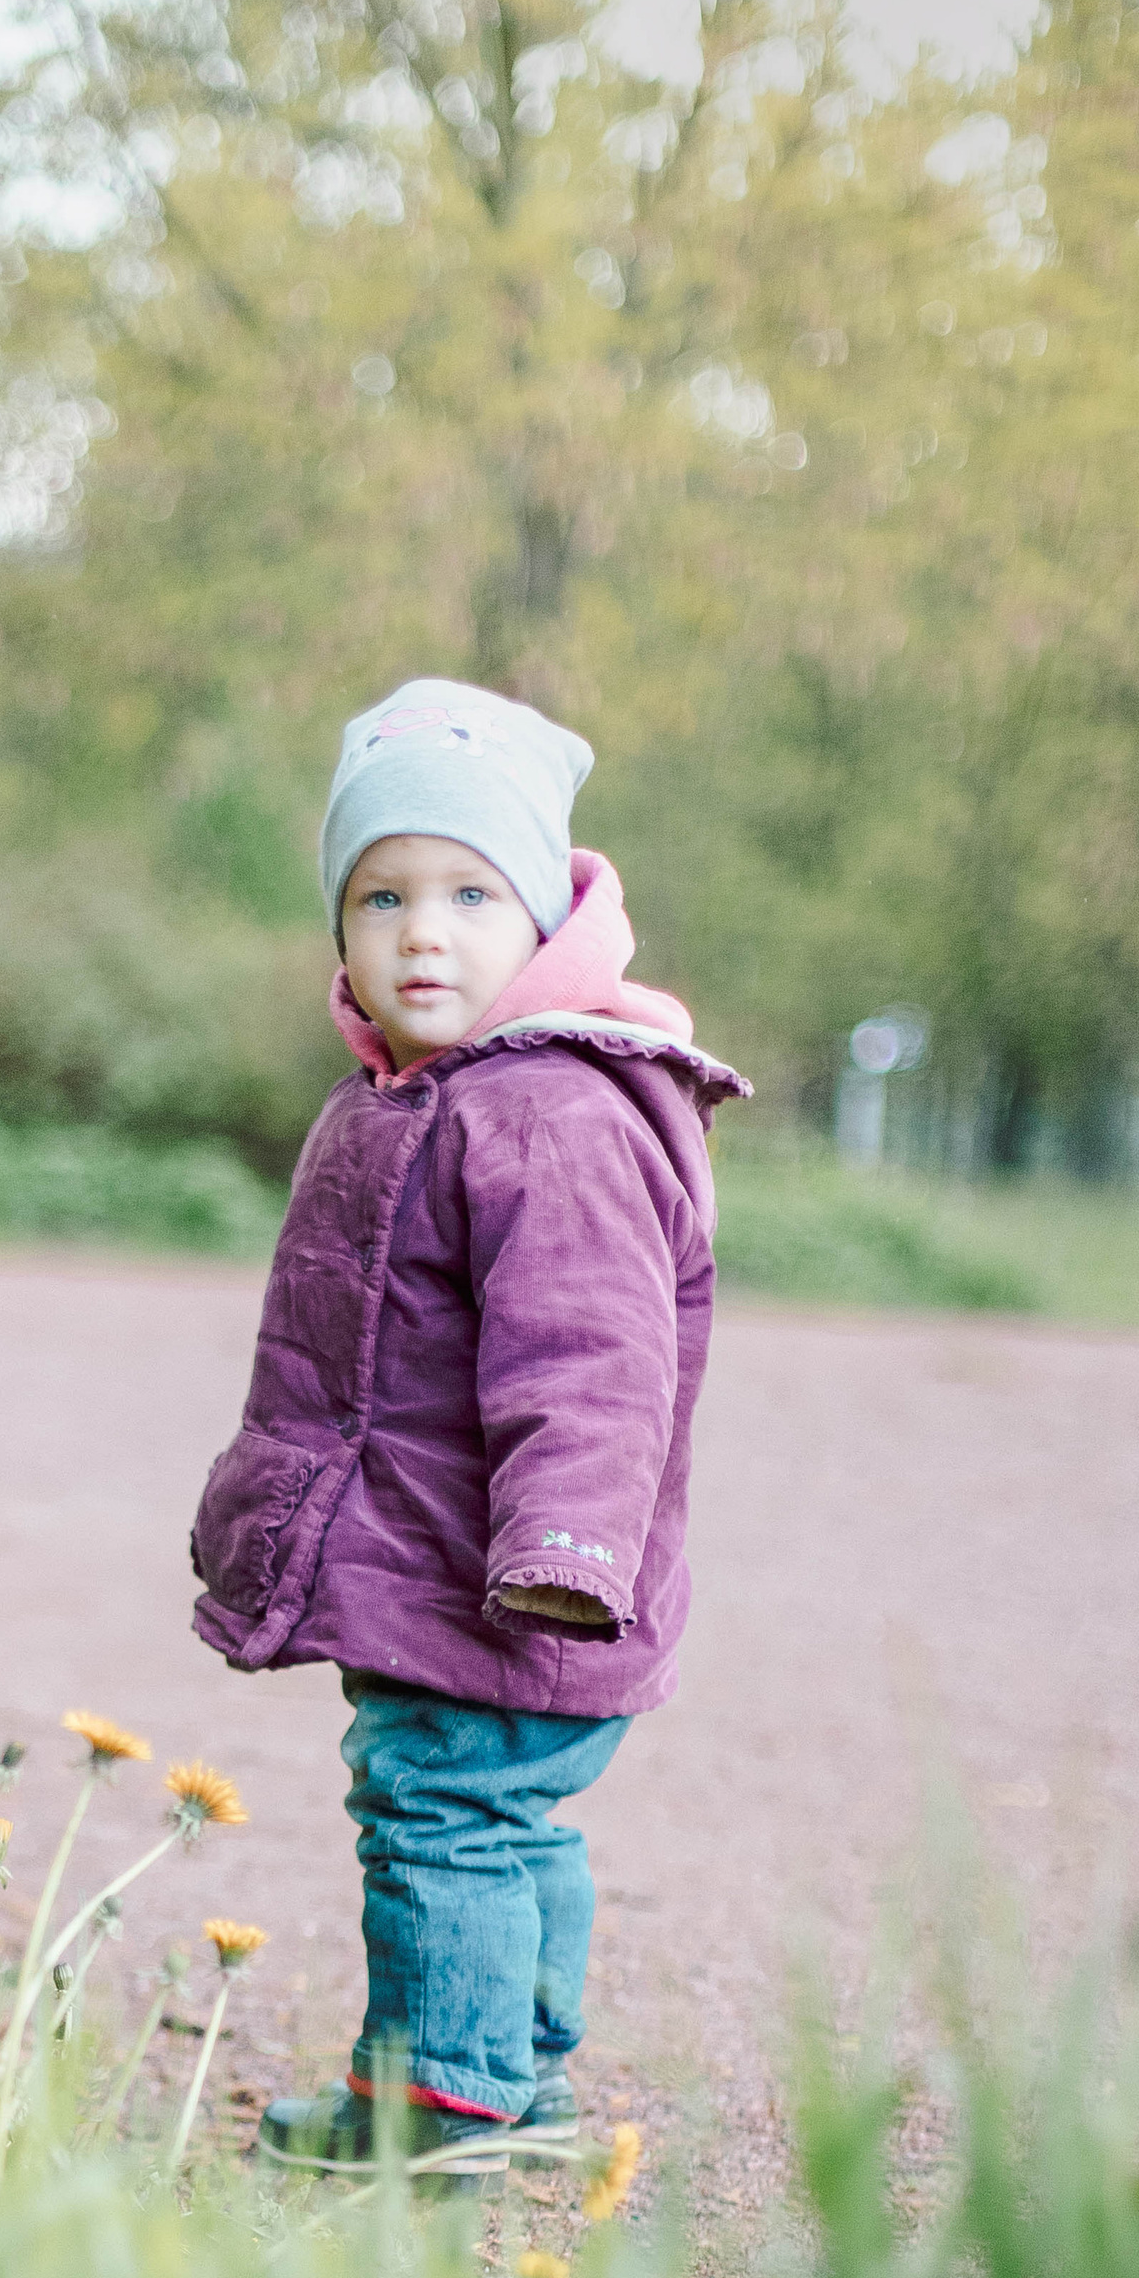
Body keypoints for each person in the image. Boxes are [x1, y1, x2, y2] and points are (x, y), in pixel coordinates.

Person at [189, 677, 748, 2180]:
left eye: (466, 893)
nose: (420, 931)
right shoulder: (424, 1101)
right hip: (448, 1566)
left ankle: (444, 2102)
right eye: (381, 896)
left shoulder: (547, 1114)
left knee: (441, 1808)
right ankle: (516, 2077)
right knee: (501, 1815)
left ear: (546, 918)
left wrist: (567, 1544)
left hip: (516, 1579)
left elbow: (594, 1357)